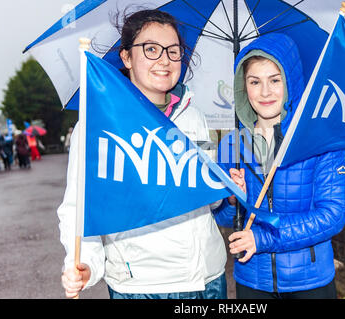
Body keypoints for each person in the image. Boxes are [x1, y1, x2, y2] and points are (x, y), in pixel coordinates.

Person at [58, 9, 227, 299]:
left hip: (208, 279)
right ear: (126, 57)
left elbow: (208, 202)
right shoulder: (98, 126)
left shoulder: (194, 116)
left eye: (173, 51)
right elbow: (80, 208)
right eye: (151, 49)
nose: (164, 60)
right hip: (144, 287)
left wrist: (223, 185)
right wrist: (86, 264)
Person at [214, 33, 345, 299]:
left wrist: (262, 239)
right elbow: (222, 218)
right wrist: (231, 201)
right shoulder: (230, 145)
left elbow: (333, 215)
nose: (265, 92)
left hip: (310, 283)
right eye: (255, 82)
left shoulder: (320, 141)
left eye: (274, 80)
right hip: (251, 281)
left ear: (290, 82)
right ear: (244, 88)